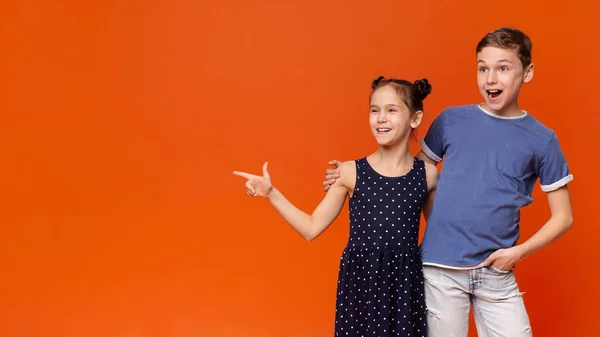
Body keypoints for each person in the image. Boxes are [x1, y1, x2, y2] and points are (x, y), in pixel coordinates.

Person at [322, 27, 574, 336]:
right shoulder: (451, 120)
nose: (491, 79)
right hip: (439, 269)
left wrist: (517, 253)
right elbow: (410, 174)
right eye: (483, 68)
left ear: (528, 72)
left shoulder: (543, 140)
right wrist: (353, 174)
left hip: (495, 270)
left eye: (503, 68)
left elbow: (564, 217)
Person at [234, 76, 438, 336]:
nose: (381, 118)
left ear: (415, 119)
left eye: (391, 110)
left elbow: (439, 233)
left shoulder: (428, 175)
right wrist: (272, 194)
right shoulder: (350, 172)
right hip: (361, 284)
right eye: (374, 110)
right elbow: (311, 228)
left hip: (405, 283)